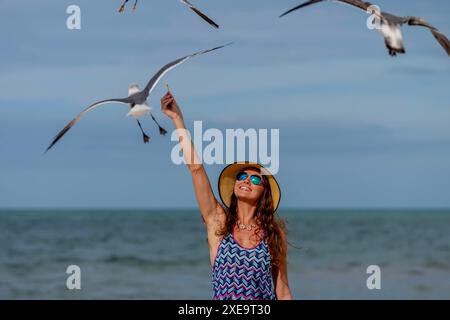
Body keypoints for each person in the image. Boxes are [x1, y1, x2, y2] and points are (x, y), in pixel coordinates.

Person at [161, 90, 293, 300]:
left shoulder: (273, 234)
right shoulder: (219, 224)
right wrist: (178, 119)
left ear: (264, 193)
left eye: (256, 179)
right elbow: (196, 169)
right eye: (241, 176)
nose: (247, 180)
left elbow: (283, 290)